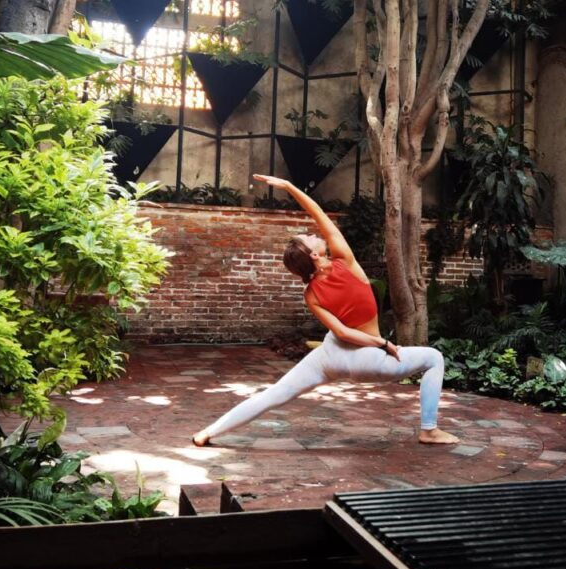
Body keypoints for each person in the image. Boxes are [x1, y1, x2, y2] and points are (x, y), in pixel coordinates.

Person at [192, 175, 459, 447]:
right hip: (363, 358)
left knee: (275, 394)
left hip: (331, 354)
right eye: (308, 238)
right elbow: (318, 214)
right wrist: (384, 343)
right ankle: (429, 430)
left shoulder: (310, 294)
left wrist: (289, 186)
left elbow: (340, 332)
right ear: (315, 256)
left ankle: (208, 432)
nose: (313, 233)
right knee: (434, 358)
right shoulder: (346, 261)